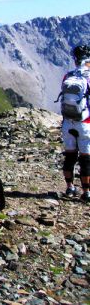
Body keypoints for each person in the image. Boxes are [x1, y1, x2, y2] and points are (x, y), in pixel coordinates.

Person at [60, 44, 90, 202]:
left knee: (69, 156)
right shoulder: (89, 76)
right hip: (85, 122)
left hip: (68, 123)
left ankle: (70, 188)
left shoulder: (68, 76)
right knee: (86, 158)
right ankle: (86, 192)